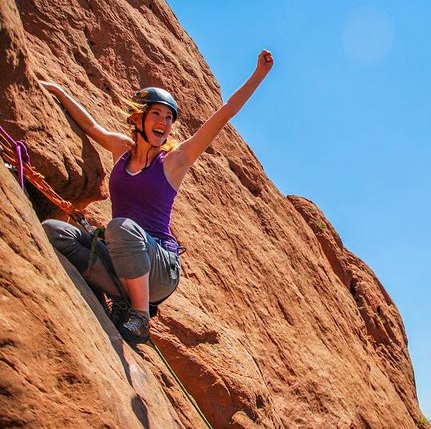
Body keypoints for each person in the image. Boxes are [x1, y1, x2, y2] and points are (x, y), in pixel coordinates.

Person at [40, 49, 274, 343]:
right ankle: (118, 296)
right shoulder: (121, 150)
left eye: (168, 117)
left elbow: (225, 112)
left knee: (120, 228)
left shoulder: (175, 161)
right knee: (55, 232)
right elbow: (91, 126)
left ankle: (139, 316)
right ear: (138, 118)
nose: (164, 122)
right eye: (156, 114)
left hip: (160, 268)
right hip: (122, 257)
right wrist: (58, 91)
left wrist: (259, 75)